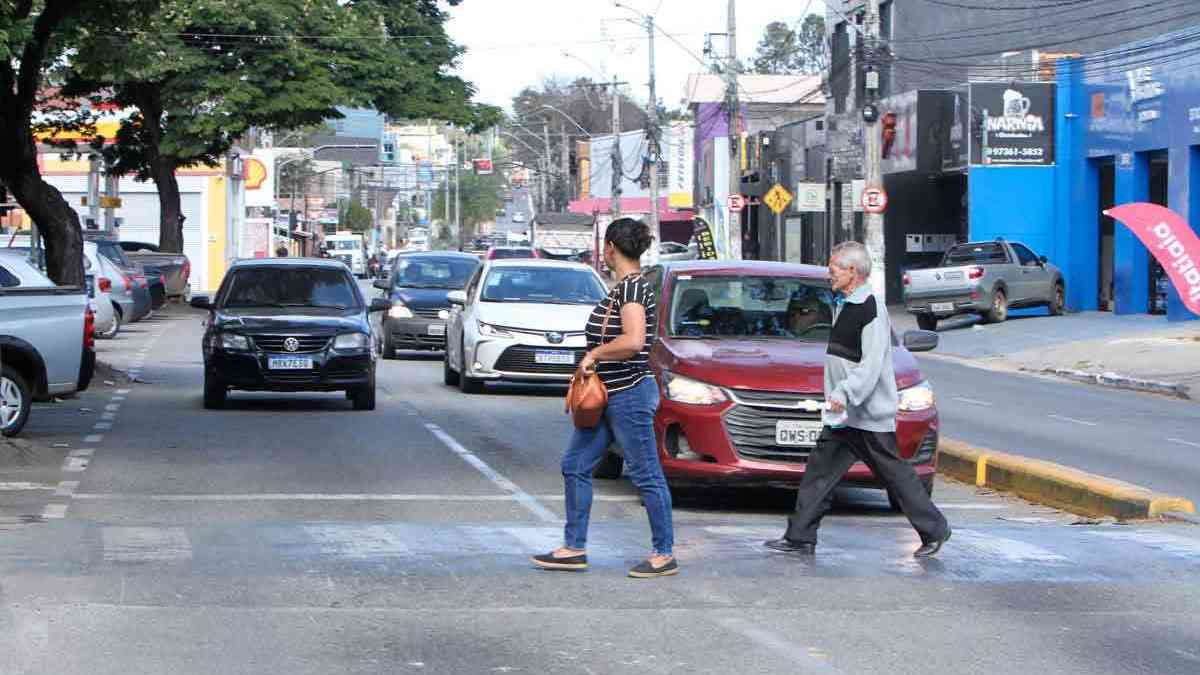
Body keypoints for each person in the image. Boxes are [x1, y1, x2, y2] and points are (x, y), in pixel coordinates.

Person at [765, 241, 951, 558]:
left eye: (834, 267)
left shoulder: (871, 307)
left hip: (865, 415)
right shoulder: (847, 303)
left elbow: (872, 362)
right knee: (819, 473)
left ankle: (935, 529)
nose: (829, 273)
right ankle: (800, 535)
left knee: (895, 475)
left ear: (852, 271)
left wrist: (845, 394)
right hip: (845, 416)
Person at [532, 218, 677, 579]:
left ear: (610, 247)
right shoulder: (624, 287)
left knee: (646, 475)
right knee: (576, 465)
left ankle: (664, 553)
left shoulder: (631, 290)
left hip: (629, 394)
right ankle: (574, 548)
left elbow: (632, 341)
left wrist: (593, 356)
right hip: (608, 395)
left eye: (604, 247)